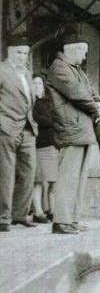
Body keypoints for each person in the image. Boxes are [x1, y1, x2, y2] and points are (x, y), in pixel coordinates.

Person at [47, 32, 100, 234]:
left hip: (81, 128)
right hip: (71, 128)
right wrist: (96, 107)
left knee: (79, 178)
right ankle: (61, 220)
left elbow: (91, 91)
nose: (85, 56)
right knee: (68, 177)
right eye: (83, 51)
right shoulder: (59, 67)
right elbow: (78, 93)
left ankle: (72, 219)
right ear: (72, 49)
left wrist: (99, 102)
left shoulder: (75, 69)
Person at [0, 36, 38, 232]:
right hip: (6, 128)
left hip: (28, 129)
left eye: (25, 53)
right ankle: (3, 218)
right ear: (9, 52)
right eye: (19, 53)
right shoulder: (1, 70)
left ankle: (19, 214)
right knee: (6, 173)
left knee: (29, 172)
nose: (22, 57)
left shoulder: (28, 74)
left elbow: (29, 102)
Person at [32, 74, 59, 223]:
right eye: (34, 83)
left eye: (39, 84)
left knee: (53, 181)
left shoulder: (48, 101)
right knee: (39, 181)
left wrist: (52, 121)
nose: (37, 86)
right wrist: (52, 121)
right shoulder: (31, 103)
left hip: (53, 144)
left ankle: (51, 210)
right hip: (39, 146)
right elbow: (42, 120)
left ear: (43, 86)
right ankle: (38, 212)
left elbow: (56, 117)